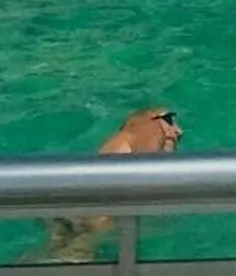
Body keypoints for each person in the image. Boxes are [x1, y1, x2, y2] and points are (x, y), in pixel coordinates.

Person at [44, 106, 183, 257]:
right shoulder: (150, 126)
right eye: (170, 120)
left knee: (51, 258)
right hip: (94, 216)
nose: (178, 131)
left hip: (78, 209)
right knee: (70, 262)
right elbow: (148, 165)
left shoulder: (117, 147)